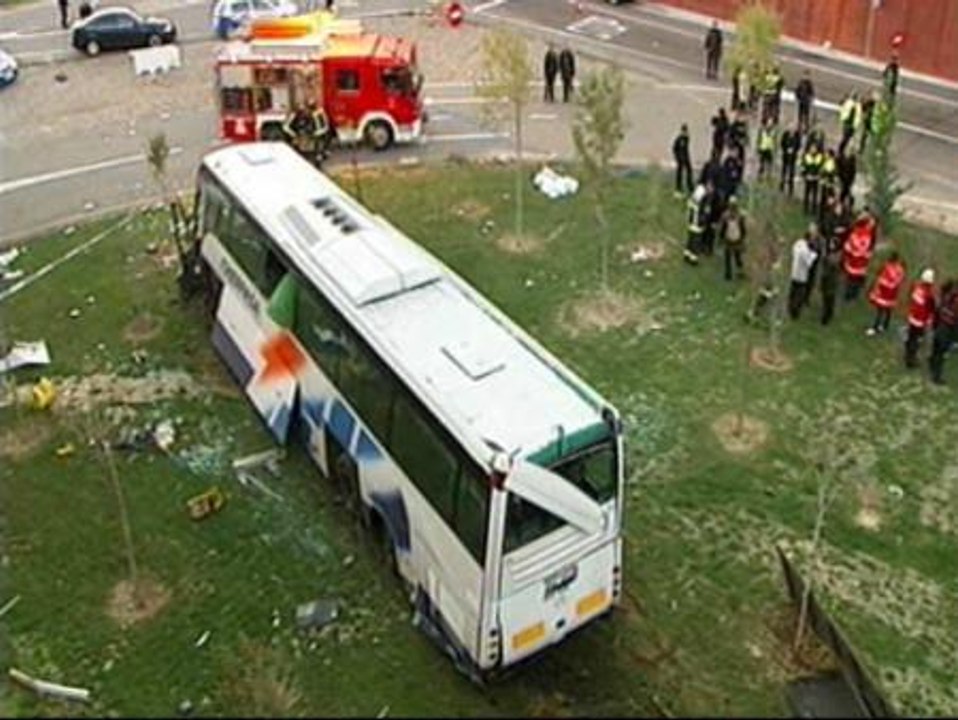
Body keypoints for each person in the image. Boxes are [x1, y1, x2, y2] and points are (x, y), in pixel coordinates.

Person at [866, 252, 906, 335]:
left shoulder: (886, 266)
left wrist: (877, 287)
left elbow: (880, 277)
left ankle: (875, 327)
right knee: (888, 310)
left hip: (884, 293)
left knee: (880, 310)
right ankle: (885, 325)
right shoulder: (900, 269)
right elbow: (899, 281)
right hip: (892, 294)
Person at [904, 269, 936, 369]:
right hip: (920, 320)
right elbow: (931, 308)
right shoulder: (929, 294)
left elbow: (911, 296)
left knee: (911, 336)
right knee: (916, 339)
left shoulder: (916, 286)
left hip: (912, 316)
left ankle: (907, 354)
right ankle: (911, 360)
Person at [929, 279, 958, 384]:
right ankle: (936, 376)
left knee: (936, 349)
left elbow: (938, 311)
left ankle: (932, 363)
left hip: (939, 326)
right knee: (940, 354)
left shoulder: (945, 297)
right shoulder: (954, 302)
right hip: (946, 329)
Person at [842, 211, 876, 301]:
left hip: (853, 262)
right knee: (856, 280)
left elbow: (848, 247)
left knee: (850, 280)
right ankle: (853, 295)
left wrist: (848, 255)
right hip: (861, 263)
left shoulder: (855, 234)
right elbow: (867, 250)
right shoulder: (867, 235)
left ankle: (848, 295)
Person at [789, 225, 820, 320]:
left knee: (793, 291)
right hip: (801, 275)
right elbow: (808, 262)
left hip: (794, 272)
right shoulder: (805, 249)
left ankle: (790, 307)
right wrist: (814, 255)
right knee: (799, 294)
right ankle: (795, 312)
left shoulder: (798, 243)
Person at [719, 195, 746, 281]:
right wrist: (742, 238)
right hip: (737, 239)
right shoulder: (740, 215)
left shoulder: (725, 216)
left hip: (729, 238)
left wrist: (721, 238)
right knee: (737, 256)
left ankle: (728, 274)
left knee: (728, 257)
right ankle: (739, 272)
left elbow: (722, 229)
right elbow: (743, 229)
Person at [684, 181, 710, 265]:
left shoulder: (692, 200)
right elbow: (704, 213)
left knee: (690, 239)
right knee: (696, 241)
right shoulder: (702, 203)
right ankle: (693, 258)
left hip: (691, 221)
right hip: (697, 223)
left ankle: (687, 254)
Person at [819, 233, 843, 325]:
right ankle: (829, 313)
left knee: (827, 300)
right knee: (829, 299)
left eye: (832, 243)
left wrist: (825, 257)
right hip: (831, 281)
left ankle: (825, 318)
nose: (830, 245)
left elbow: (829, 265)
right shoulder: (836, 255)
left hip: (830, 281)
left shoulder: (834, 257)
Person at [801, 143, 823, 216]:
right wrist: (804, 175)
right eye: (812, 148)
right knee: (807, 194)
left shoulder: (819, 157)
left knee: (814, 194)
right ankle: (805, 209)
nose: (813, 149)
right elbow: (803, 167)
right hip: (808, 178)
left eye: (814, 148)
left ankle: (813, 209)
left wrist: (819, 176)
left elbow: (821, 168)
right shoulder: (806, 156)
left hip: (815, 178)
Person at [672, 124, 694, 197]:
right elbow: (675, 149)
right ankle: (678, 188)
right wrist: (677, 158)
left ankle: (690, 187)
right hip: (681, 159)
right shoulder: (679, 139)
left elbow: (686, 150)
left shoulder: (686, 138)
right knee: (680, 173)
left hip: (686, 158)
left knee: (689, 172)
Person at [779, 125, 801, 196]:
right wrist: (786, 150)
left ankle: (790, 187)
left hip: (793, 156)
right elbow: (782, 143)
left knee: (791, 171)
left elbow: (798, 145)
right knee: (784, 170)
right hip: (785, 155)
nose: (792, 130)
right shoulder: (785, 134)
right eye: (790, 128)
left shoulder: (797, 136)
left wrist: (794, 150)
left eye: (793, 129)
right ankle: (782, 184)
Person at [859, 90, 877, 155]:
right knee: (866, 136)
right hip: (870, 122)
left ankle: (862, 149)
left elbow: (862, 107)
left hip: (870, 122)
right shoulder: (871, 105)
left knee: (865, 136)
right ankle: (862, 148)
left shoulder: (870, 105)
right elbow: (862, 107)